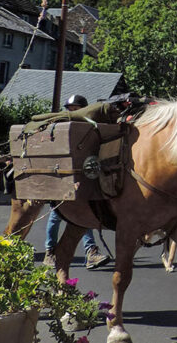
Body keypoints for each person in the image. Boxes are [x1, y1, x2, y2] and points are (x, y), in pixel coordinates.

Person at [43, 94, 112, 270]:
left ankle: (91, 252)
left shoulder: (89, 129)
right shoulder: (60, 127)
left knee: (83, 216)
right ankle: (50, 251)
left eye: (76, 109)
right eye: (70, 109)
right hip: (62, 177)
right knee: (55, 217)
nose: (72, 112)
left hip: (80, 179)